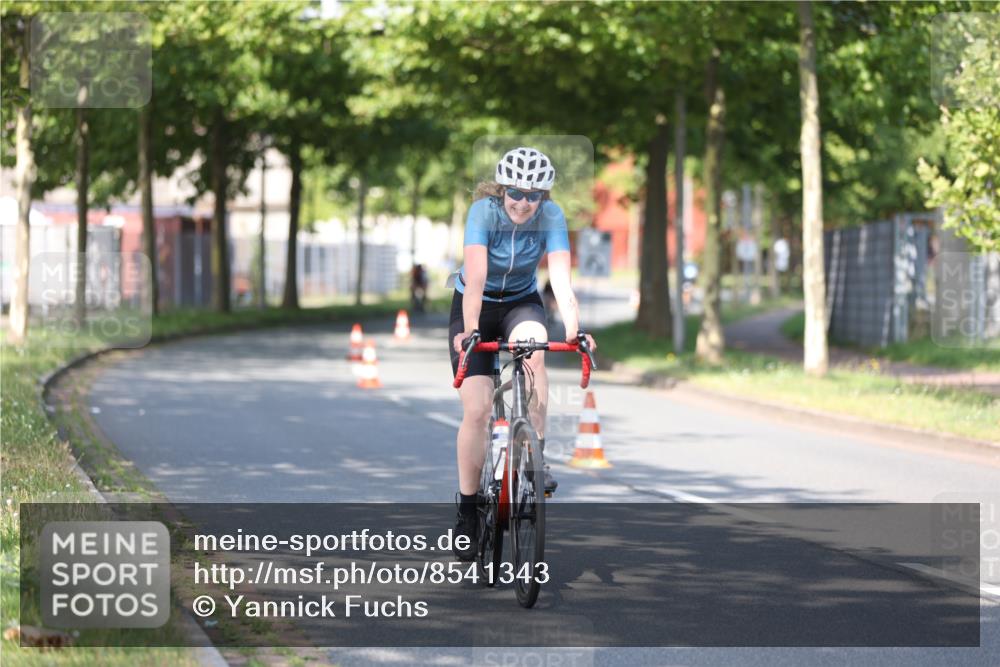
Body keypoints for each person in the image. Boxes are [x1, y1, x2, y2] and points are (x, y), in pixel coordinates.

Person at [448, 146, 597, 560]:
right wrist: (471, 331)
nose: (523, 203)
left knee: (536, 353)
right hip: (474, 305)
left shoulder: (552, 216)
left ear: (544, 196)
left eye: (533, 195)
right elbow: (476, 278)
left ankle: (535, 458)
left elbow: (561, 281)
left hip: (520, 303)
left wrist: (574, 330)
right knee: (477, 409)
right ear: (502, 190)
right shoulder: (482, 213)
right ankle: (467, 509)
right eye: (515, 193)